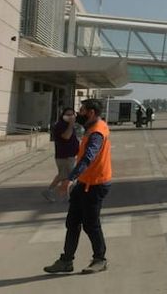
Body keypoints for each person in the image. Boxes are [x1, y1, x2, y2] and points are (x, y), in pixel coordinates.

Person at [43, 99, 112, 275]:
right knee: (72, 222)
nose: (77, 114)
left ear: (90, 113)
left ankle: (100, 259)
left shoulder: (96, 132)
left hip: (95, 185)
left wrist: (69, 179)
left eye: (81, 110)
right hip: (85, 183)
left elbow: (88, 158)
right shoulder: (94, 127)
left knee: (91, 224)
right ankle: (66, 261)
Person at [43, 107, 80, 203]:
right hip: (64, 156)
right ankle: (51, 190)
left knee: (64, 176)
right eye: (68, 115)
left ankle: (65, 194)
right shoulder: (61, 125)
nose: (70, 117)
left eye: (72, 114)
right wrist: (71, 124)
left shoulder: (68, 125)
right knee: (68, 176)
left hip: (70, 154)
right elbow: (66, 136)